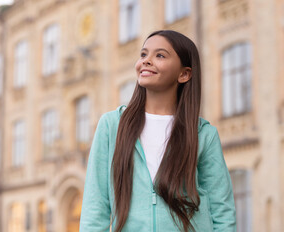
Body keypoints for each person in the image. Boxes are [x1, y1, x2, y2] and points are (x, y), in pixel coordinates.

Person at [79, 30, 236, 232]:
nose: (146, 61)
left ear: (184, 74)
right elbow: (95, 206)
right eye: (144, 54)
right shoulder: (112, 126)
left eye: (160, 55)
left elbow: (222, 210)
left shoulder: (203, 135)